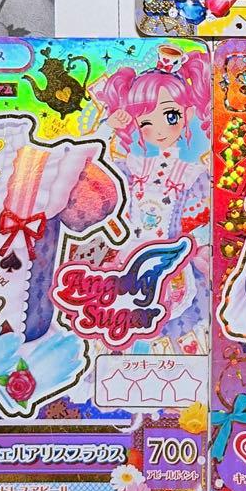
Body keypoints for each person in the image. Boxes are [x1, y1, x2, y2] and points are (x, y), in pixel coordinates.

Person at [95, 45, 211, 345]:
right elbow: (96, 169)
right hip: (127, 257)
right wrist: (108, 128)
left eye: (170, 116)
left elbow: (203, 220)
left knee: (175, 328)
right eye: (146, 122)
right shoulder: (132, 166)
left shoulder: (192, 173)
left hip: (172, 262)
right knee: (125, 324)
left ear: (187, 114)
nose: (158, 129)